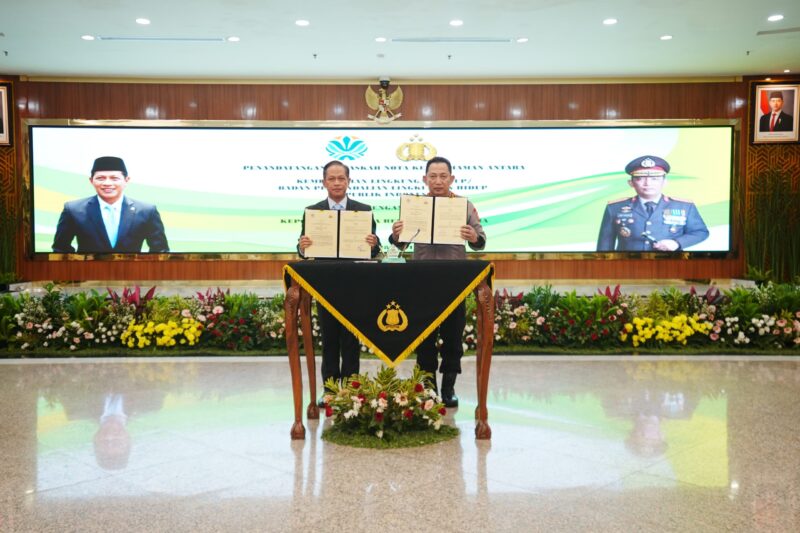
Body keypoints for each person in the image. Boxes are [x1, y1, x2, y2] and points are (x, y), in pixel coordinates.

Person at [388, 156, 486, 408]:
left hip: (455, 281)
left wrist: (473, 236)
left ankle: (449, 387)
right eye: (433, 176)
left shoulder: (464, 205)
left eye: (443, 176)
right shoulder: (415, 206)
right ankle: (428, 387)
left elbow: (481, 241)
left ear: (452, 179)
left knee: (453, 337)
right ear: (425, 179)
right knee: (425, 337)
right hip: (423, 281)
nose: (438, 181)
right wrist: (396, 235)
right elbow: (399, 246)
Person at [297, 160, 381, 406]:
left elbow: (373, 251)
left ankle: (352, 391)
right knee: (330, 339)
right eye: (331, 179)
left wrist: (374, 244)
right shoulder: (312, 212)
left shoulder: (363, 211)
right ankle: (331, 391)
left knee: (351, 340)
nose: (336, 183)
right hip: (325, 284)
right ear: (324, 182)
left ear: (348, 181)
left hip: (354, 284)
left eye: (341, 178)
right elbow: (304, 249)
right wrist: (302, 247)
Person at [51, 156, 169, 253]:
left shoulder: (147, 211)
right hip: (88, 273)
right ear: (91, 181)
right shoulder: (73, 210)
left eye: (114, 178)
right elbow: (60, 249)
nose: (107, 183)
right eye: (101, 178)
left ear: (126, 180)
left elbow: (160, 251)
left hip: (132, 273)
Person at [597, 155, 709, 252]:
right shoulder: (615, 207)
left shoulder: (684, 206)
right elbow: (605, 244)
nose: (648, 183)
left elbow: (700, 232)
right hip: (628, 264)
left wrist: (677, 243)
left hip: (672, 264)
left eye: (654, 179)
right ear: (631, 183)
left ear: (665, 182)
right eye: (640, 179)